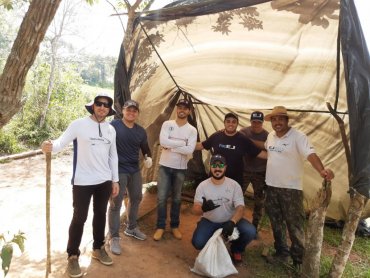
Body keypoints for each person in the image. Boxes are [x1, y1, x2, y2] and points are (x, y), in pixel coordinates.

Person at [41, 93, 119, 278]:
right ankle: (72, 255)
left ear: (109, 110)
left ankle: (98, 247)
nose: (102, 107)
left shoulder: (111, 130)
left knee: (100, 215)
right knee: (79, 217)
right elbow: (60, 143)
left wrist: (114, 180)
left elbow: (113, 156)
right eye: (99, 104)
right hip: (82, 180)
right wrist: (50, 145)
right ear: (93, 106)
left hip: (105, 180)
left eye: (106, 105)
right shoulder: (79, 124)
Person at [263, 106, 334, 270]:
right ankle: (282, 253)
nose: (277, 122)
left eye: (281, 119)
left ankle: (299, 260)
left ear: (287, 120)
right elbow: (270, 153)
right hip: (272, 186)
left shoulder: (298, 137)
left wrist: (322, 170)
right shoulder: (270, 136)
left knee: (294, 225)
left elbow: (310, 155)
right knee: (276, 222)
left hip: (291, 189)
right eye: (274, 119)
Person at [191, 154, 256, 264]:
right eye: (214, 165)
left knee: (250, 231)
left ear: (225, 167)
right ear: (210, 167)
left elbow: (240, 208)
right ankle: (211, 242)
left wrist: (232, 222)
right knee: (198, 243)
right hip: (209, 221)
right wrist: (203, 208)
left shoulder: (234, 185)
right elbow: (195, 209)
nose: (217, 168)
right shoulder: (202, 186)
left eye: (220, 165)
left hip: (229, 220)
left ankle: (236, 249)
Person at [107, 100, 152, 255]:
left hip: (134, 169)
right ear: (123, 111)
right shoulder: (114, 126)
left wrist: (148, 157)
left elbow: (145, 147)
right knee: (116, 202)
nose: (131, 113)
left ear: (138, 113)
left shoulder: (140, 131)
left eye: (134, 111)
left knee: (137, 197)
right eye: (128, 110)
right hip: (117, 170)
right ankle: (113, 237)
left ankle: (131, 227)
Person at [153, 99, 197, 241]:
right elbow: (163, 142)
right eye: (180, 107)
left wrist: (170, 146)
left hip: (180, 168)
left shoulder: (192, 130)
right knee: (161, 198)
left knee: (177, 199)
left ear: (189, 111)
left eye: (185, 108)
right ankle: (160, 227)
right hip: (165, 166)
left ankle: (174, 226)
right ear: (177, 109)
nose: (182, 110)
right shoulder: (167, 124)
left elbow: (190, 149)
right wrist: (181, 143)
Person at [195, 112, 267, 187]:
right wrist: (183, 146)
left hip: (234, 181)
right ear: (224, 123)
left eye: (233, 122)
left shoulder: (243, 139)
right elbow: (201, 145)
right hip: (216, 178)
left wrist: (277, 155)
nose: (230, 124)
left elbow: (260, 153)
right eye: (228, 121)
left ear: (237, 124)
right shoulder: (217, 136)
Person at [239, 111, 269, 229]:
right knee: (237, 196)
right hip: (245, 170)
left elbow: (270, 150)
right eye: (254, 121)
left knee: (259, 201)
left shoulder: (268, 136)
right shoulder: (243, 132)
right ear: (250, 121)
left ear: (262, 123)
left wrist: (250, 142)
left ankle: (255, 226)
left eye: (259, 122)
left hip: (260, 172)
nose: (256, 124)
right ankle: (234, 222)